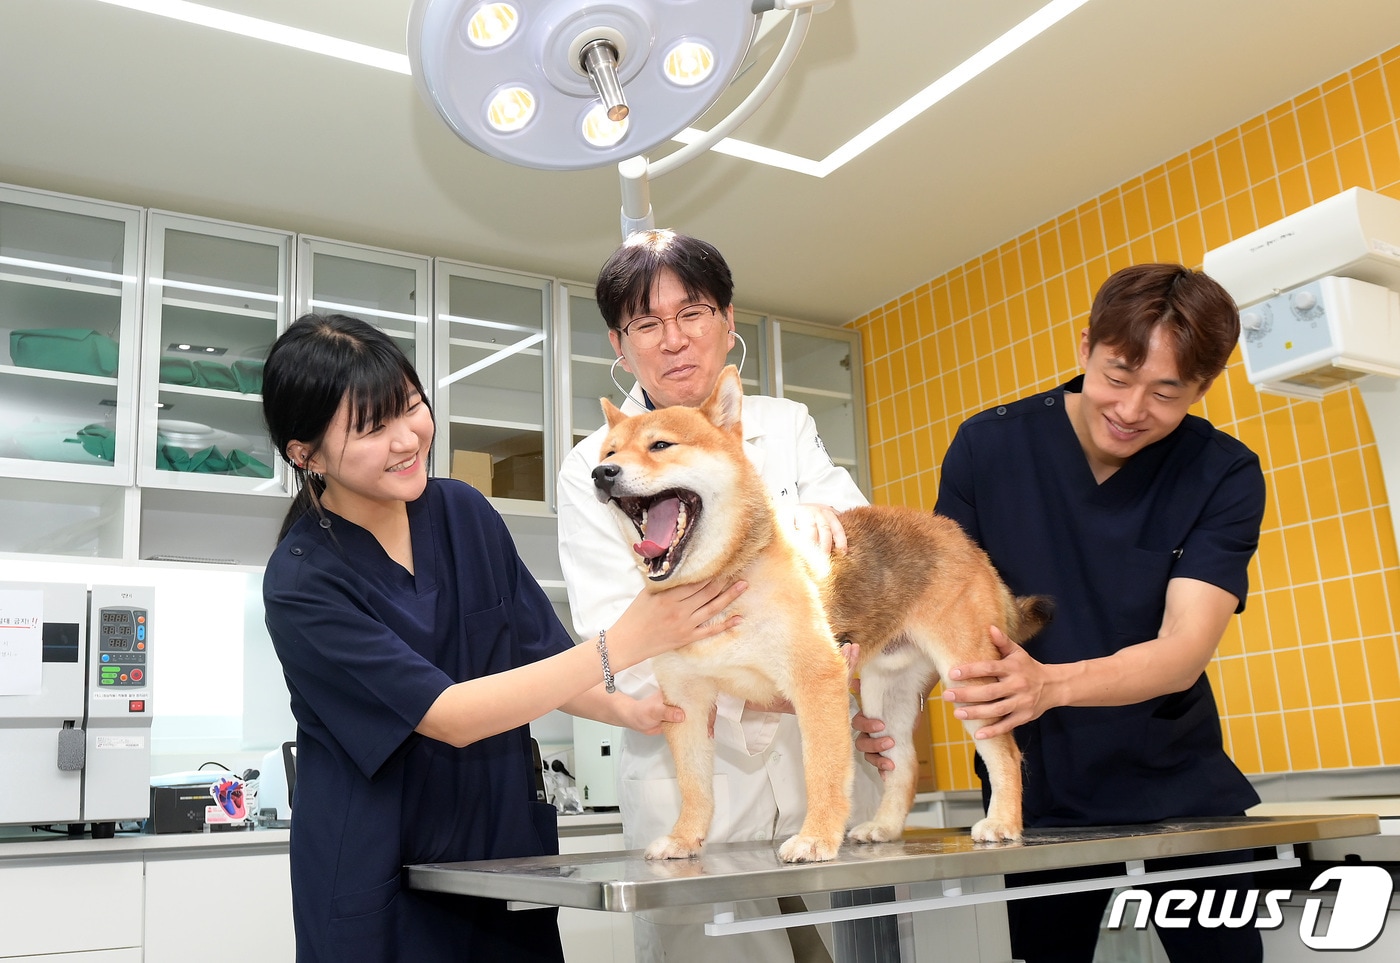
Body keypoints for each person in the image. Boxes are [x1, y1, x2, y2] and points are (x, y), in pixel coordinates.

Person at [260, 313, 747, 963]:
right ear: (306, 454)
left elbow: (539, 655)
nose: (407, 438)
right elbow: (449, 715)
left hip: (500, 859)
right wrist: (626, 641)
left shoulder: (461, 513)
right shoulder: (303, 581)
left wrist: (630, 709)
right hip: (379, 877)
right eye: (372, 428)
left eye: (410, 406)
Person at [860, 263, 1266, 962]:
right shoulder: (988, 447)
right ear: (1085, 347)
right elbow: (938, 616)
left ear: (1202, 389)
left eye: (1166, 392)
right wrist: (889, 713)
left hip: (1178, 787)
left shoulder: (1222, 473)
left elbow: (1184, 647)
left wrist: (1050, 683)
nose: (1132, 409)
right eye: (1117, 375)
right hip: (1034, 793)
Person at [557, 230, 883, 962]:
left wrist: (843, 639)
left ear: (728, 320)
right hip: (698, 772)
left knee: (843, 949)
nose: (673, 339)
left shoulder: (782, 426)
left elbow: (858, 556)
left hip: (813, 765)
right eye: (647, 322)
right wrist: (779, 682)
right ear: (620, 344)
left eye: (693, 312)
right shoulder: (593, 465)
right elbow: (621, 642)